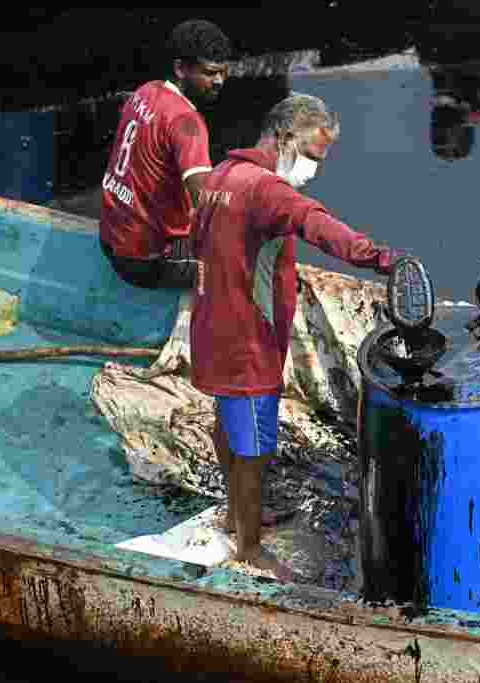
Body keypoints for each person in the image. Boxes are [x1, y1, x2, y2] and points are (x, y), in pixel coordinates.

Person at [188, 93, 403, 581]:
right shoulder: (266, 189)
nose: (312, 170)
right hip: (249, 339)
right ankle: (249, 547)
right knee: (256, 445)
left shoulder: (221, 174)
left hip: (211, 324)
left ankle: (234, 512)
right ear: (284, 138)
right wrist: (382, 258)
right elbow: (317, 223)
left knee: (229, 421)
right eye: (311, 156)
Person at [99, 19, 231, 290]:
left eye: (223, 72)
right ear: (180, 68)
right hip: (144, 260)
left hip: (109, 238)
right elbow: (205, 198)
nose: (219, 81)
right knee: (236, 271)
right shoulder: (187, 121)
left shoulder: (144, 91)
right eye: (209, 73)